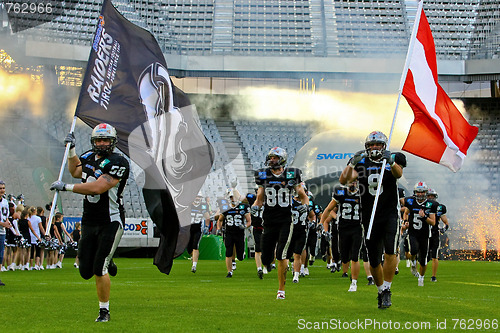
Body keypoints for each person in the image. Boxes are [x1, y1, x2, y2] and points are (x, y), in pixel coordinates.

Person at [50, 123, 130, 322]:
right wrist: (72, 151)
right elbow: (76, 171)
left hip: (110, 220)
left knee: (98, 269)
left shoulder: (118, 161)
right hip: (89, 220)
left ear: (112, 142)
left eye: (105, 140)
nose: (102, 144)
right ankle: (107, 258)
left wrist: (66, 188)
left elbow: (98, 187)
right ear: (93, 141)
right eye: (98, 140)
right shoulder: (87, 156)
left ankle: (104, 311)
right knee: (85, 271)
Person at [339, 131, 406, 309]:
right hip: (369, 215)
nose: (374, 147)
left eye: (377, 144)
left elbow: (398, 174)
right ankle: (380, 290)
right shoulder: (361, 163)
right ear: (367, 147)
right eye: (371, 145)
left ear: (383, 146)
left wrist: (390, 161)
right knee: (374, 259)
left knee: (390, 252)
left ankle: (387, 288)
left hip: (390, 213)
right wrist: (351, 163)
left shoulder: (393, 158)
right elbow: (343, 180)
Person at [252, 147, 309, 300]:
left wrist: (306, 206)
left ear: (282, 159)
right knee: (265, 258)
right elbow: (260, 198)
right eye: (270, 157)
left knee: (281, 255)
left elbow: (303, 195)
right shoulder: (263, 175)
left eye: (275, 158)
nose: (272, 160)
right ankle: (269, 264)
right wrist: (254, 208)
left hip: (286, 220)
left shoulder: (292, 174)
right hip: (269, 220)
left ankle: (281, 290)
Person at [321, 180, 363, 292]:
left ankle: (354, 282)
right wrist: (321, 222)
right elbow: (329, 209)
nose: (352, 183)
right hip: (343, 228)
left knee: (355, 255)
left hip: (357, 228)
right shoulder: (341, 193)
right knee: (344, 255)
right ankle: (345, 271)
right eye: (351, 181)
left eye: (355, 181)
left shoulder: (362, 194)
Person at [402, 182, 437, 287]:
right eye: (418, 192)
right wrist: (405, 221)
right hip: (413, 232)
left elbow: (433, 222)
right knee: (413, 250)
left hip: (425, 235)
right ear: (415, 192)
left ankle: (421, 277)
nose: (420, 194)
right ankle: (413, 263)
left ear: (425, 193)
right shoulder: (411, 202)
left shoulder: (430, 205)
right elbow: (406, 212)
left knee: (423, 260)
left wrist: (424, 217)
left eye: (422, 192)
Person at [217, 195, 250, 277]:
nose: (233, 199)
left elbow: (249, 220)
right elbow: (220, 220)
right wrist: (218, 228)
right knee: (228, 252)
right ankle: (229, 272)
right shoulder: (225, 208)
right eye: (231, 198)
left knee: (240, 257)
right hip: (229, 233)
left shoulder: (243, 207)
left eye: (234, 197)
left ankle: (241, 254)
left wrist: (245, 226)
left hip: (239, 233)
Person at [426, 188, 448, 282]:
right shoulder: (422, 206)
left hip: (435, 233)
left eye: (432, 196)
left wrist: (444, 227)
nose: (430, 197)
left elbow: (445, 222)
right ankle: (420, 272)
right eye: (429, 196)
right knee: (424, 256)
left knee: (435, 255)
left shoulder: (440, 207)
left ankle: (433, 276)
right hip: (424, 233)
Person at [187, 194, 210, 273]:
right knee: (189, 248)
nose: (197, 198)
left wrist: (207, 226)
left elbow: (207, 217)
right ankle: (193, 258)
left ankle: (194, 265)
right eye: (196, 196)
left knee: (195, 246)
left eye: (199, 197)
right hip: (188, 229)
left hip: (198, 229)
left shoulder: (203, 206)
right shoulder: (188, 205)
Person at [245, 192, 265, 279]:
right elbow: (243, 198)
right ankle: (259, 268)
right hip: (257, 228)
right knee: (258, 248)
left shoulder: (270, 201)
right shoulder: (252, 199)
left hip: (267, 228)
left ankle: (265, 266)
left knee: (267, 248)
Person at [0, 180, 13, 285]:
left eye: (3, 188)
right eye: (0, 188)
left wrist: (7, 222)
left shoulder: (5, 202)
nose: (2, 190)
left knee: (0, 255)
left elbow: (6, 215)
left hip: (2, 231)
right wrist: (2, 223)